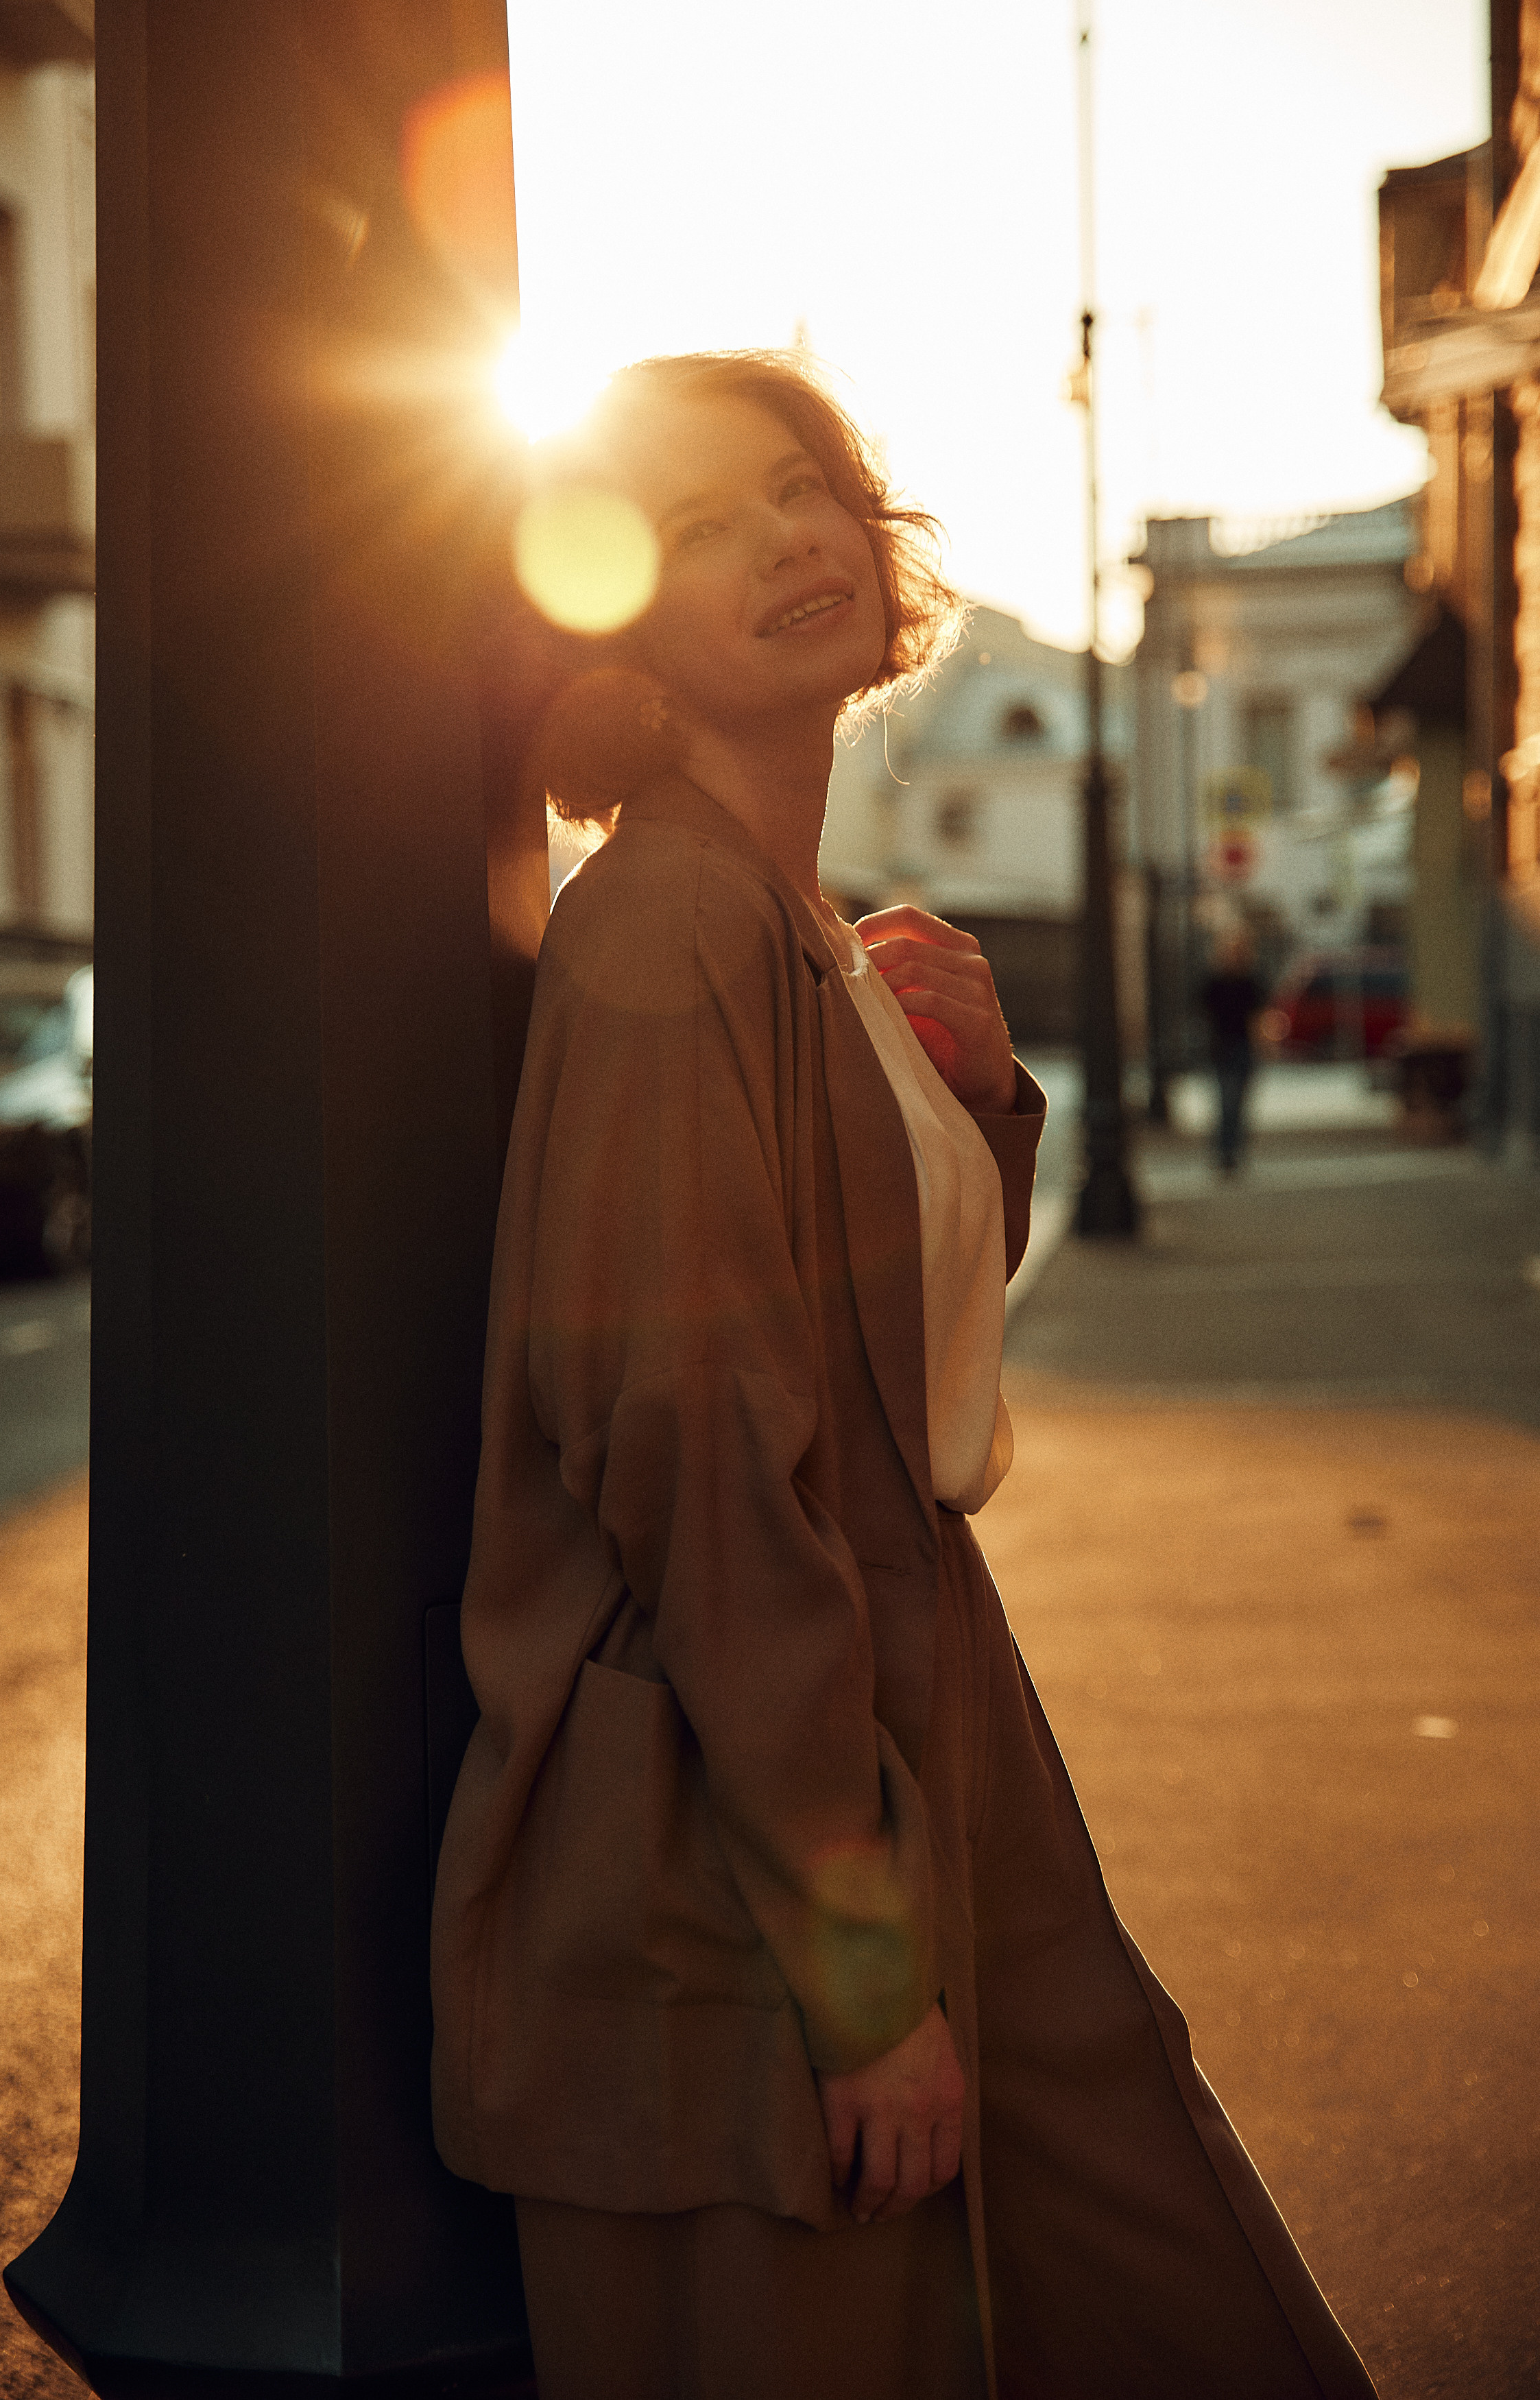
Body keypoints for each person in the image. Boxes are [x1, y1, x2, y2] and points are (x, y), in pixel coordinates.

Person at [430, 350, 1375, 2400]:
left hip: (930, 1759)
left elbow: (900, 1368)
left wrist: (980, 1099)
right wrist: (864, 1986)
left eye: (800, 487)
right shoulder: (663, 928)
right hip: (749, 1850)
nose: (785, 538)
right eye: (693, 527)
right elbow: (700, 1467)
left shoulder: (796, 925)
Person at [1199, 925, 1266, 1174]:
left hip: (1242, 1047)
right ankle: (1226, 1152)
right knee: (1226, 1103)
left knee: (1239, 1103)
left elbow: (1257, 1018)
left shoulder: (1250, 982)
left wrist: (1261, 1046)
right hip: (1223, 1048)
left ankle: (1233, 1150)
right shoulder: (1215, 982)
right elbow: (1205, 1014)